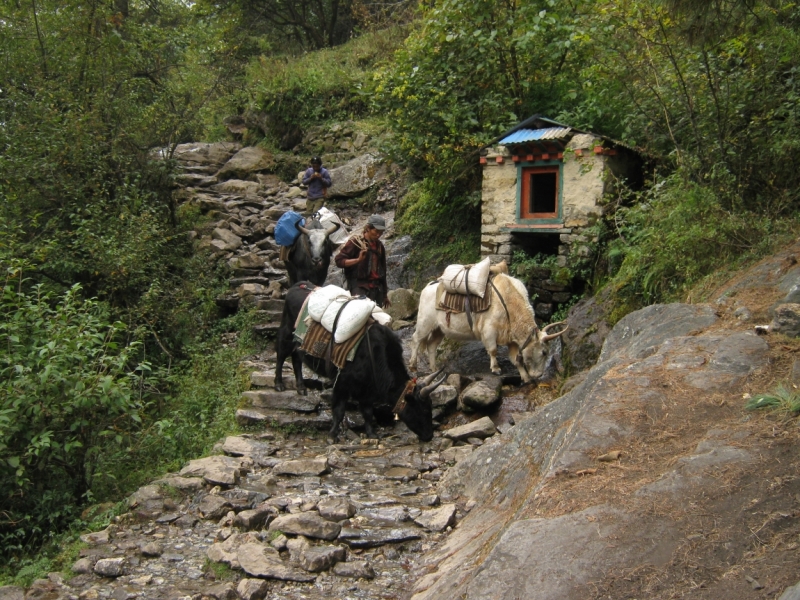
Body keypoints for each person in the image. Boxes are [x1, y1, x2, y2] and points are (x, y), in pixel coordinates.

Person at [335, 215, 392, 308]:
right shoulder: (356, 243)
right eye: (376, 231)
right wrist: (358, 260)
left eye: (381, 232)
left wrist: (385, 295)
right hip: (359, 287)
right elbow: (338, 260)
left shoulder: (380, 247)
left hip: (376, 288)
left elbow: (383, 271)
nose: (378, 235)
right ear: (368, 228)